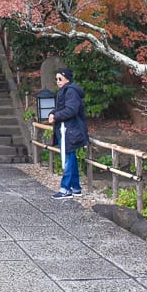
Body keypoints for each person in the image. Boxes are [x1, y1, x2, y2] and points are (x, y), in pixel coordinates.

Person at [50, 67, 89, 200]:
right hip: (66, 129)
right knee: (70, 157)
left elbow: (71, 110)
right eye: (56, 79)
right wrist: (52, 113)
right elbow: (61, 108)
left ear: (66, 78)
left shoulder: (71, 91)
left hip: (70, 130)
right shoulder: (65, 91)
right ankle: (75, 187)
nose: (57, 81)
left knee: (67, 158)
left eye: (60, 78)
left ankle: (66, 188)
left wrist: (56, 116)